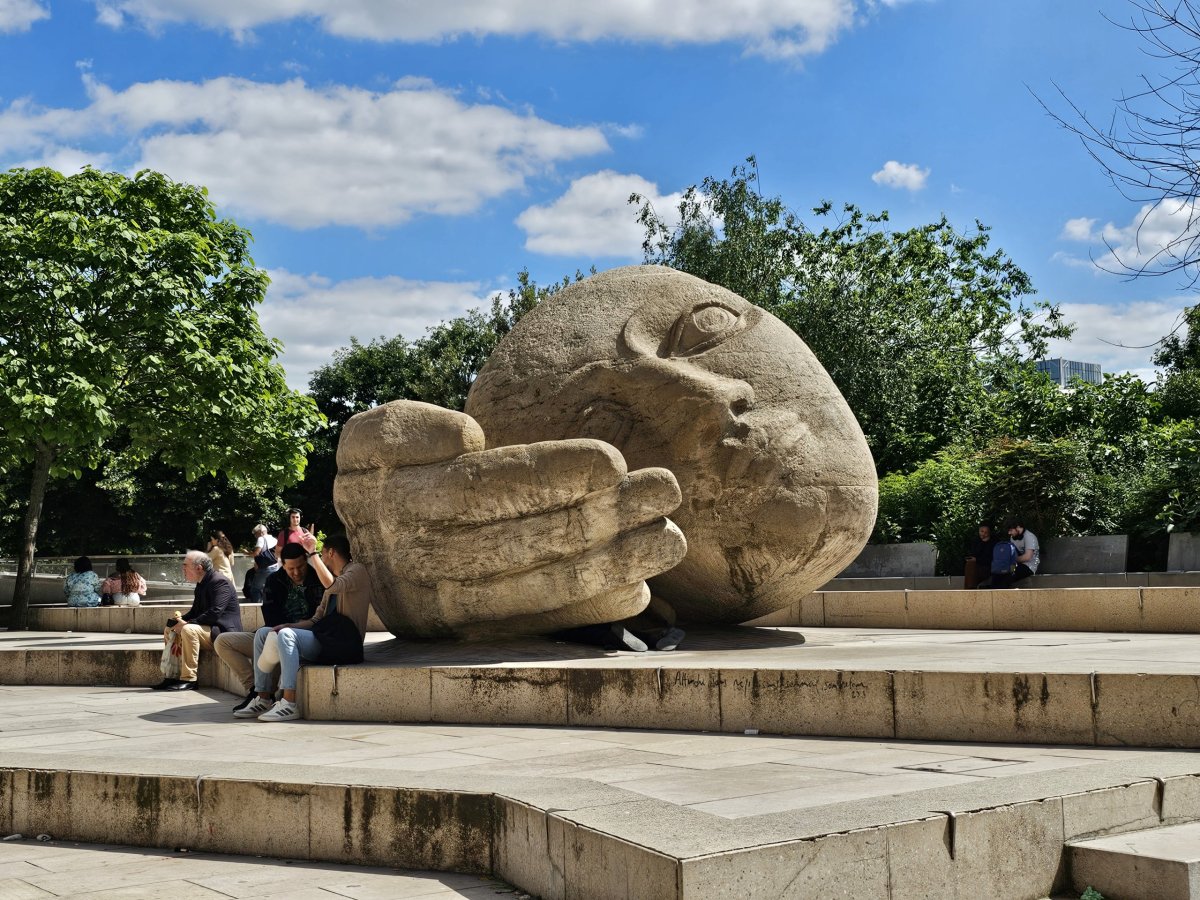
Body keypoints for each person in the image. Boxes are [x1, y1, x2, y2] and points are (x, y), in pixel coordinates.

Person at [236, 533, 372, 721]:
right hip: (325, 638)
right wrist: (289, 625)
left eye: (322, 554)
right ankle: (263, 697)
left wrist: (313, 552)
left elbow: (333, 586)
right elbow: (316, 620)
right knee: (264, 633)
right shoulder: (333, 577)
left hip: (344, 644)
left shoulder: (357, 571)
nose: (321, 559)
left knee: (285, 636)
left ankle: (289, 703)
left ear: (330, 553)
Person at [215, 542, 324, 712]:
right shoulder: (274, 580)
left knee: (282, 637)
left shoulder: (319, 579)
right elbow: (270, 616)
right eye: (291, 568)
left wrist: (292, 628)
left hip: (304, 637)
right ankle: (257, 691)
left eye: (300, 567)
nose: (296, 573)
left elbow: (321, 618)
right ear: (283, 565)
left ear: (306, 561)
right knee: (223, 641)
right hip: (275, 633)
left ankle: (273, 696)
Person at [153, 550, 242, 691]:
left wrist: (187, 624)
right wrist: (179, 620)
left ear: (199, 568)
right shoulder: (202, 584)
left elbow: (215, 612)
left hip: (223, 633)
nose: (183, 569)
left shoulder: (220, 582)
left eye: (185, 566)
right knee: (170, 628)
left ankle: (189, 680)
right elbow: (195, 611)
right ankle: (171, 675)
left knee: (188, 629)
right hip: (208, 629)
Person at [993, 520, 1040, 588]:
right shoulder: (1013, 537)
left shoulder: (1029, 537)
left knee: (1008, 575)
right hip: (1015, 564)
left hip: (1029, 566)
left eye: (1010, 530)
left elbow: (1028, 557)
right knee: (998, 572)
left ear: (1018, 527)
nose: (1009, 533)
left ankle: (1001, 592)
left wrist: (1011, 560)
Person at [247, 523, 280, 603]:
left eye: (255, 533)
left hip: (265, 568)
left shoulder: (261, 539)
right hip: (276, 566)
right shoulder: (275, 539)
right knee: (272, 587)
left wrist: (247, 553)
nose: (255, 536)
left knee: (256, 588)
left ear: (261, 532)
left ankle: (257, 608)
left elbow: (256, 553)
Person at [965, 523, 998, 590]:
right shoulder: (976, 541)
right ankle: (970, 589)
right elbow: (973, 554)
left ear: (989, 533)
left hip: (988, 568)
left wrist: (977, 560)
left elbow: (992, 559)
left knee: (971, 566)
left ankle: (970, 589)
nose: (983, 534)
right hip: (977, 566)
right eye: (982, 531)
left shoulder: (994, 543)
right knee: (970, 564)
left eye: (986, 532)